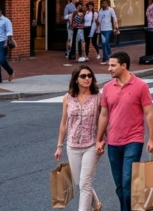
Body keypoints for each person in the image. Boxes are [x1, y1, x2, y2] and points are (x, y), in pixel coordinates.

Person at [96, 52, 153, 211]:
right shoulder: (108, 88)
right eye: (109, 65)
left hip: (133, 140)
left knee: (128, 180)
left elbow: (149, 113)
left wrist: (152, 139)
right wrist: (99, 139)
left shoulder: (141, 86)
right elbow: (104, 115)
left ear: (124, 66)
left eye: (113, 65)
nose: (109, 68)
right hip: (113, 141)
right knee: (119, 184)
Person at [55, 65, 103, 211]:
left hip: (91, 145)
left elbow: (103, 119)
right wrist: (59, 146)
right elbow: (64, 122)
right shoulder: (67, 98)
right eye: (83, 76)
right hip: (72, 145)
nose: (87, 78)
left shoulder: (98, 97)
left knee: (85, 183)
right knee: (78, 182)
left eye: (89, 76)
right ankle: (96, 203)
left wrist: (101, 140)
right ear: (76, 79)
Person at [97, 0, 120, 65]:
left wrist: (116, 27)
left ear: (108, 4)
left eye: (105, 3)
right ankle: (107, 57)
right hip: (102, 29)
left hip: (108, 29)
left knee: (105, 42)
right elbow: (99, 21)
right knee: (104, 44)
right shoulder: (100, 11)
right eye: (103, 3)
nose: (104, 4)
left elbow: (114, 18)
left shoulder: (111, 10)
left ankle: (107, 58)